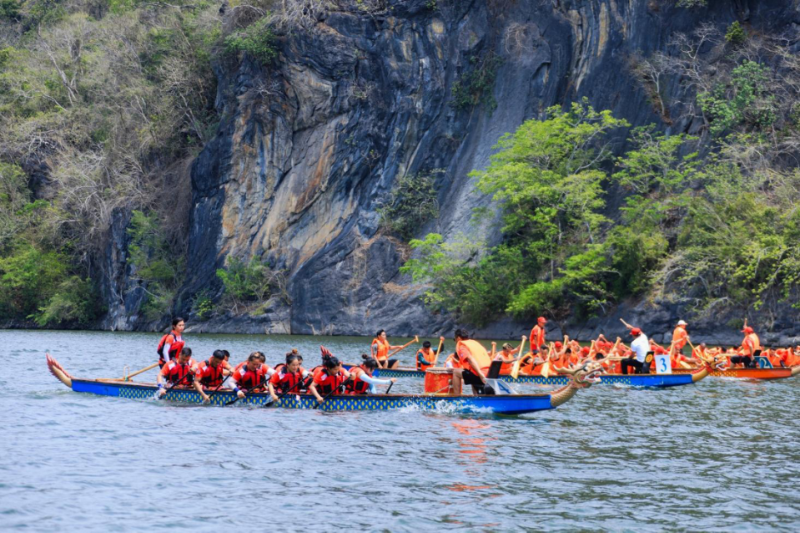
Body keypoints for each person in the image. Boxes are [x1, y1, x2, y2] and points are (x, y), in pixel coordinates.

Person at [450, 329, 492, 395]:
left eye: (454, 339)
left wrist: (481, 375)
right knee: (471, 370)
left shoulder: (462, 346)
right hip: (490, 373)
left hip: (482, 375)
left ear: (458, 338)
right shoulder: (475, 343)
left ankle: (457, 398)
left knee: (456, 372)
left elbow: (470, 359)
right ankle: (476, 396)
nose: (455, 341)